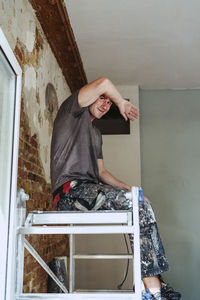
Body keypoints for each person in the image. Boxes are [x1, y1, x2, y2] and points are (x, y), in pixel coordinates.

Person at [50, 77, 181, 300]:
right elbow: (103, 82)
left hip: (90, 190)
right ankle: (154, 290)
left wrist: (131, 189)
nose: (105, 104)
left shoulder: (96, 134)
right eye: (102, 99)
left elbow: (101, 172)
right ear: (89, 97)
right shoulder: (71, 111)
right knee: (135, 205)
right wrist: (120, 102)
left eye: (109, 103)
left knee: (140, 205)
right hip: (69, 193)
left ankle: (153, 282)